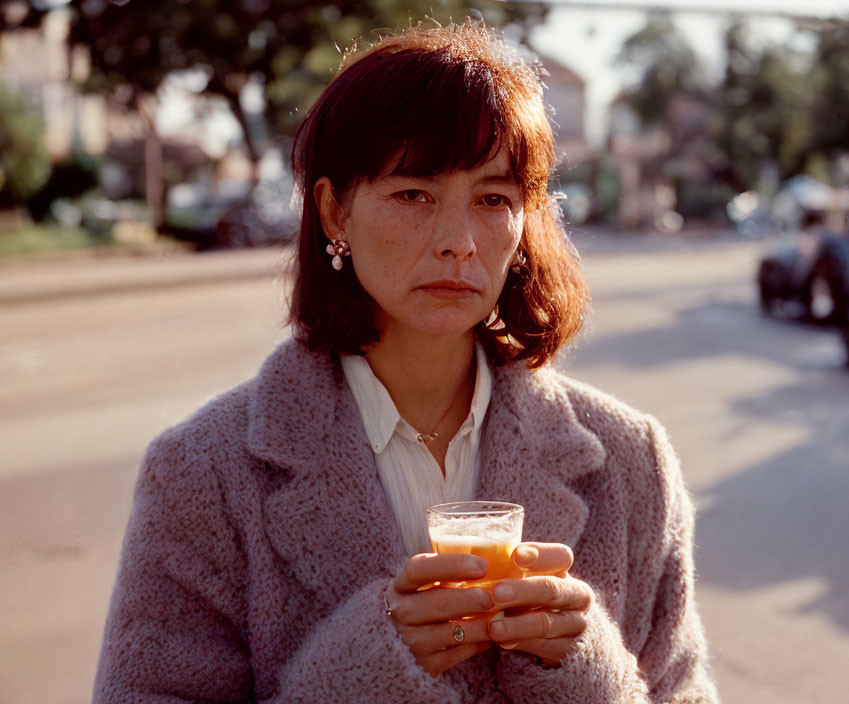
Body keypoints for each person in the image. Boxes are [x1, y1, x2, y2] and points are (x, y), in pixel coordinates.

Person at [93, 20, 719, 704]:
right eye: (413, 194)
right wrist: (357, 675)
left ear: (524, 222)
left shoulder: (631, 461)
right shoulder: (203, 472)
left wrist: (585, 660)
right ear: (335, 212)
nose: (458, 241)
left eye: (492, 200)